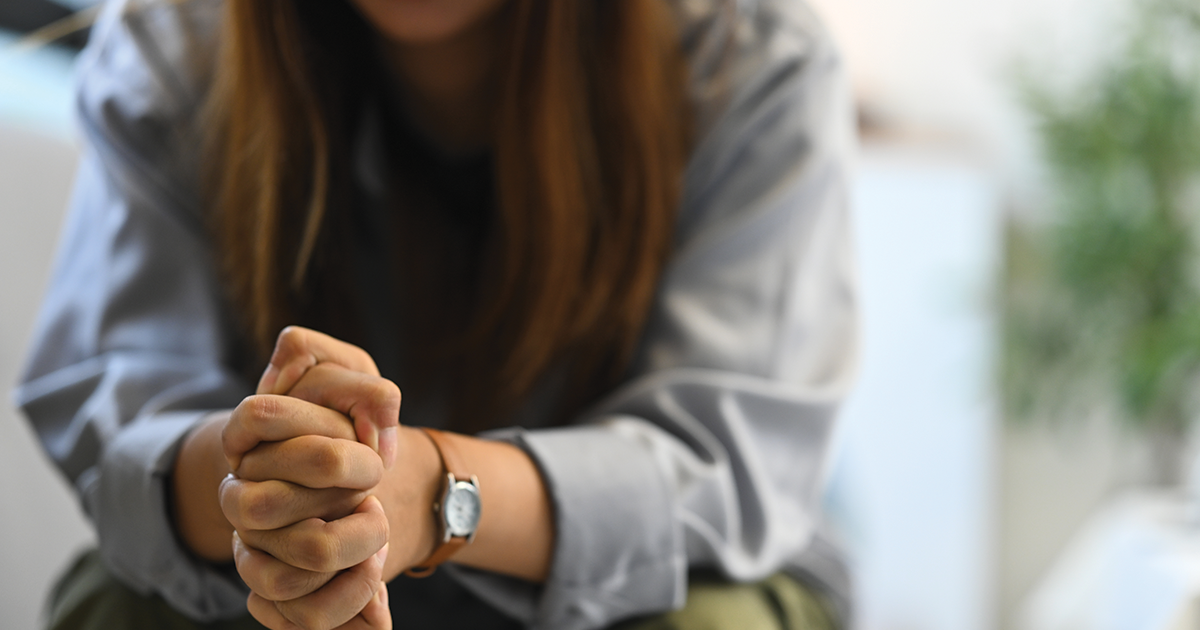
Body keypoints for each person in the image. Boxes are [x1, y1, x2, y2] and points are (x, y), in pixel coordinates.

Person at [17, 0, 859, 628]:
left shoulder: (749, 58)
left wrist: (430, 493)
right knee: (118, 604)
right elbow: (121, 436)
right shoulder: (175, 51)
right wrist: (273, 487)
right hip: (271, 573)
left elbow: (722, 471)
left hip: (646, 588)